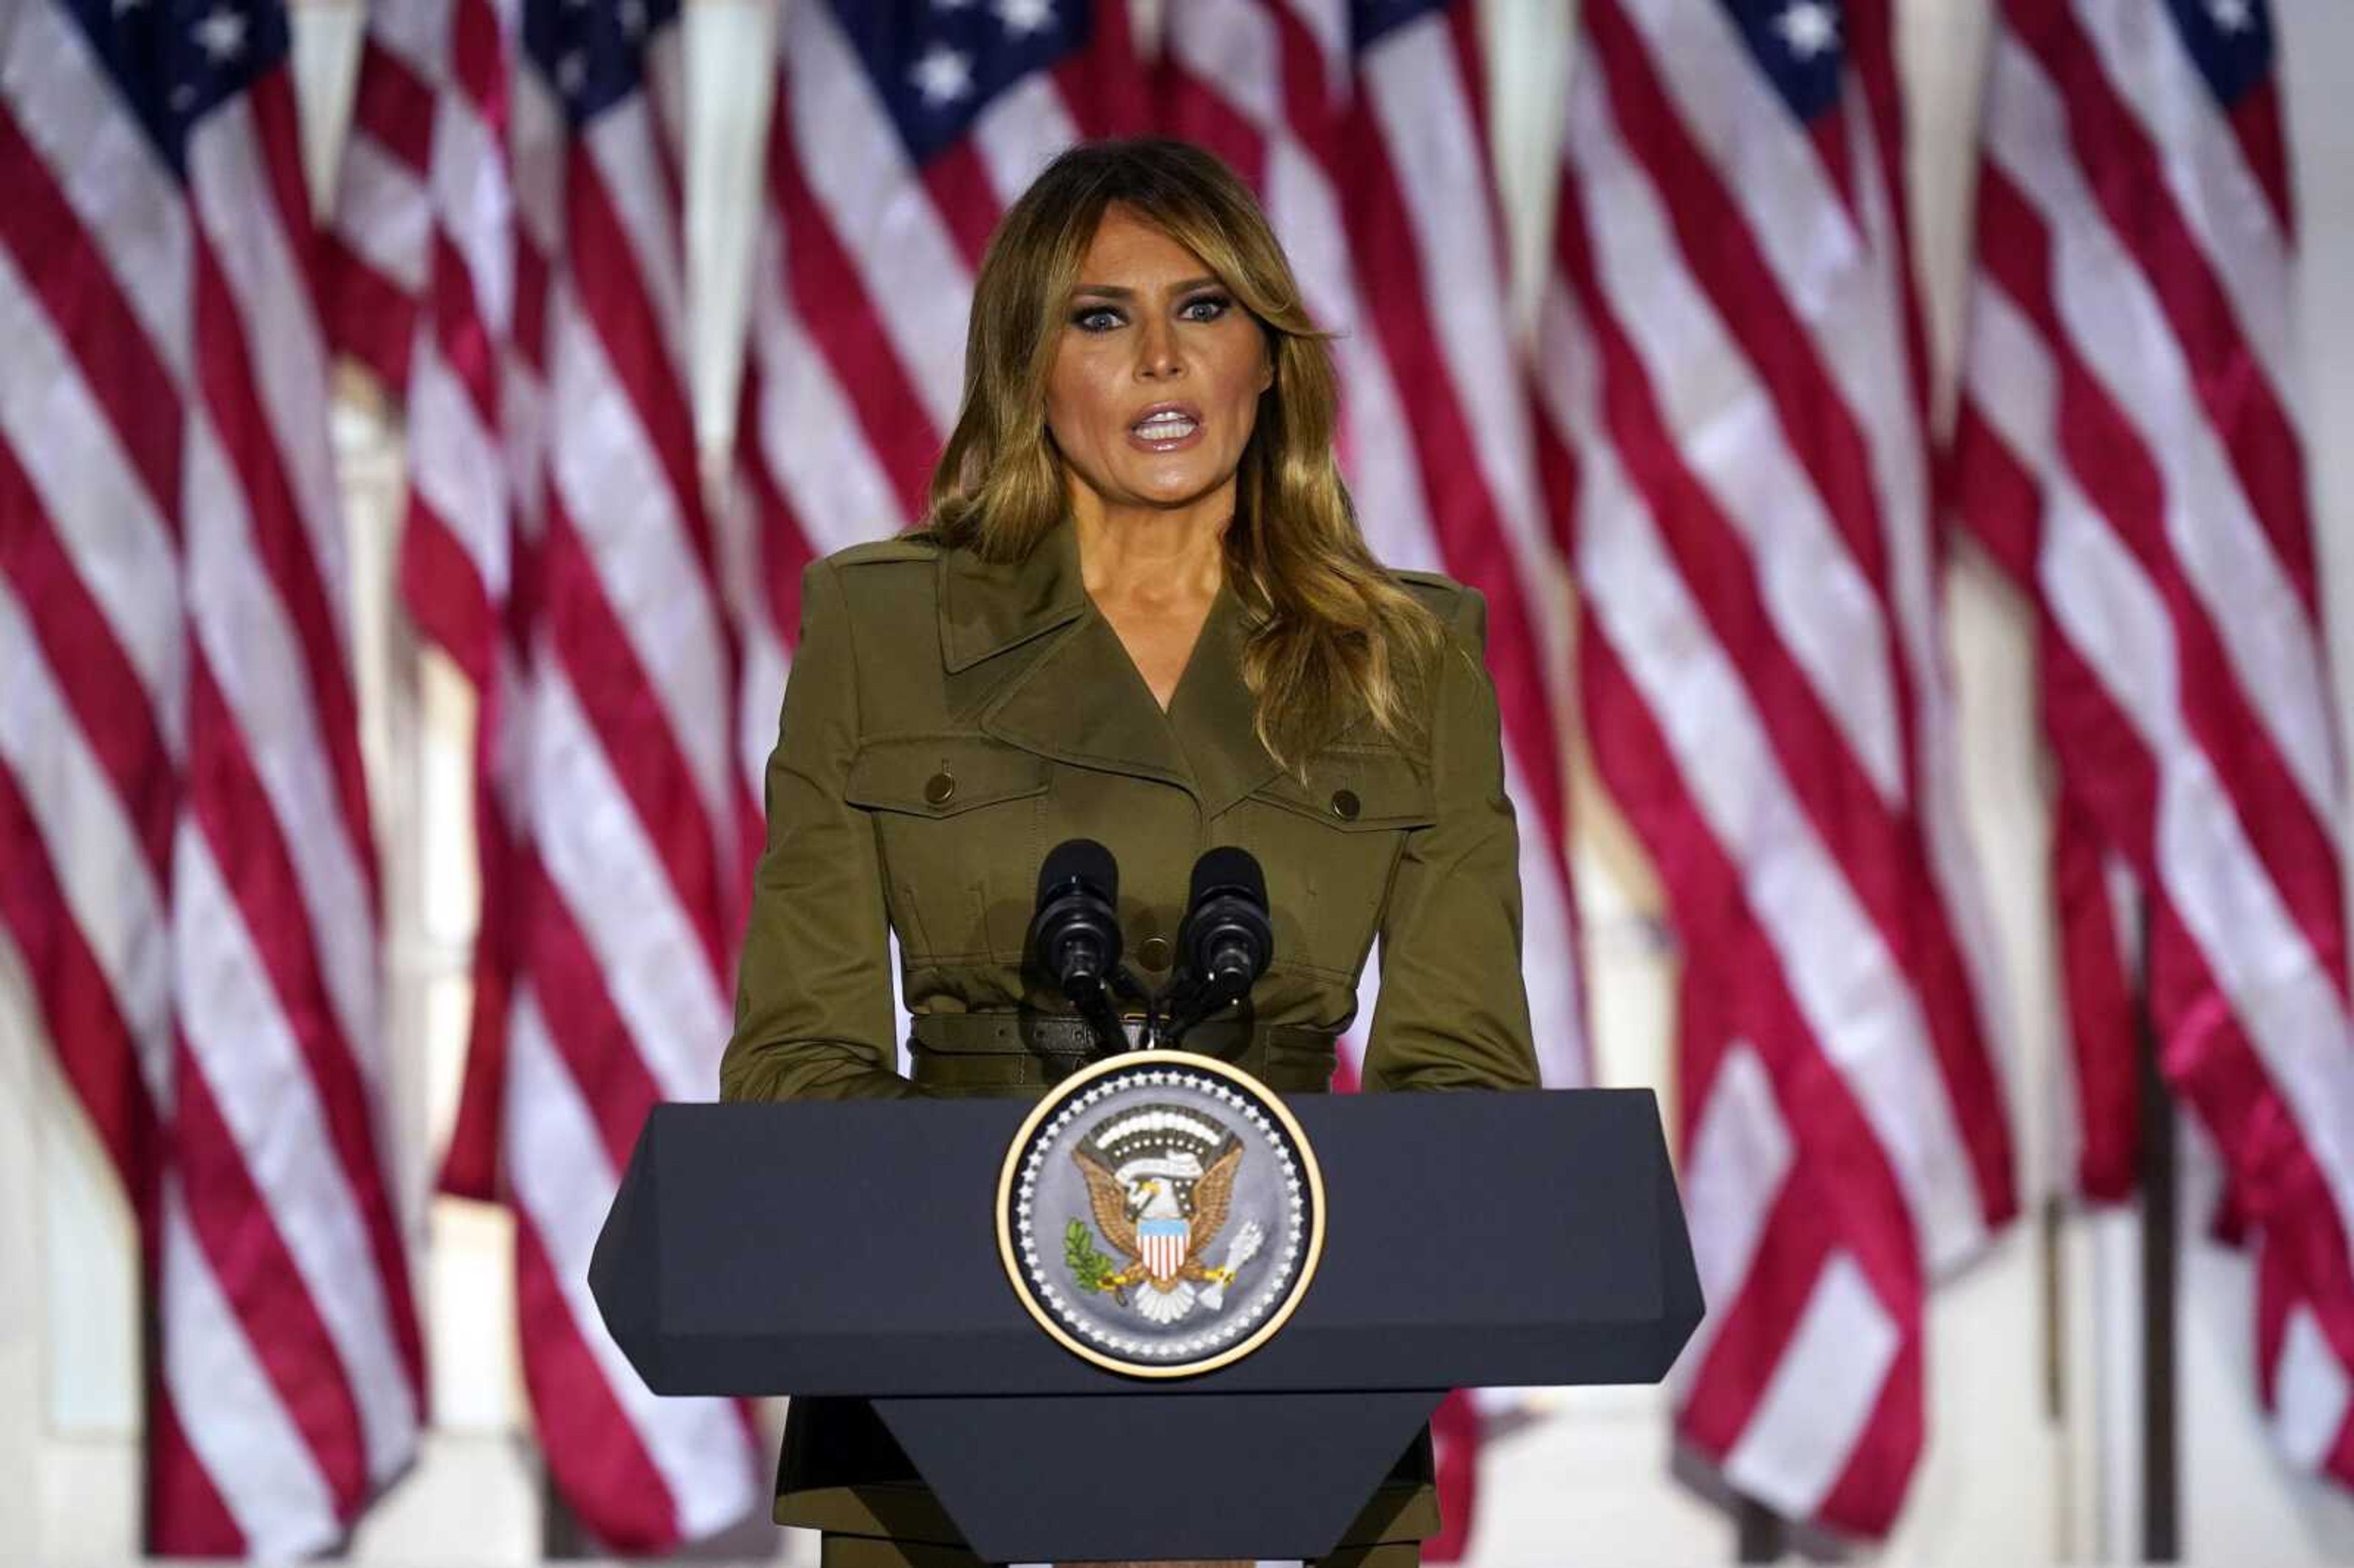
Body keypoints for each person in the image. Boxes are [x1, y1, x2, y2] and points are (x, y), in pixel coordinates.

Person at [722, 137, 1541, 1568]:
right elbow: (796, 1062)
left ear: (1271, 358)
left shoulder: (1413, 656)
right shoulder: (879, 629)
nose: (1161, 359)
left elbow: (1460, 1084)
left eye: (1205, 308)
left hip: (1295, 1357)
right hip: (939, 1375)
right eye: (1100, 318)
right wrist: (1039, 1228)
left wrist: (1231, 1271)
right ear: (1027, 367)